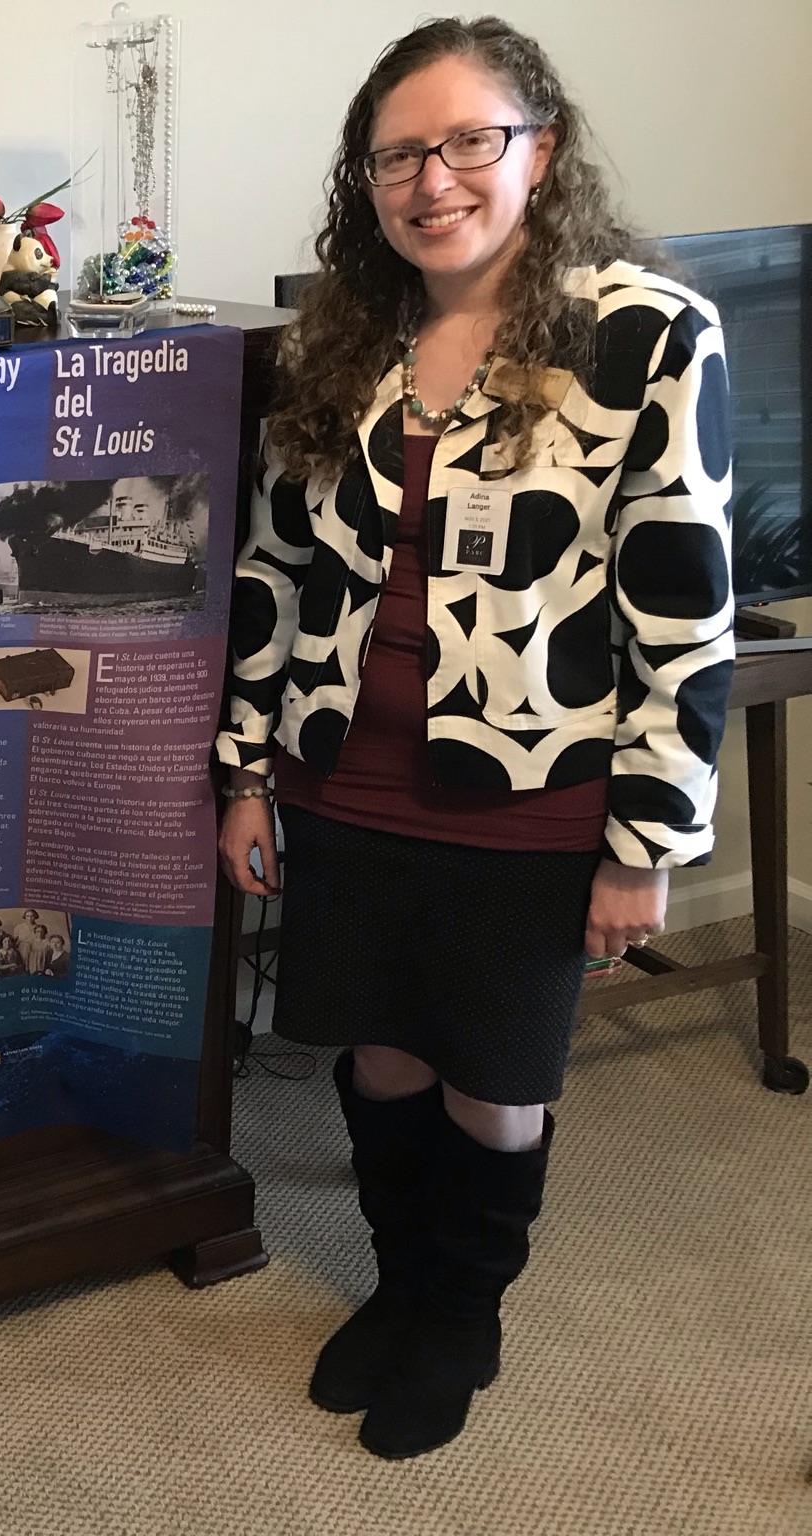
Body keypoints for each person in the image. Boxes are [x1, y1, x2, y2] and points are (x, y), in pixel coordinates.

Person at [216, 17, 733, 1462]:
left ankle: (465, 1312)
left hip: (535, 797)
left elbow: (685, 603)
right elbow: (275, 573)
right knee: (378, 1054)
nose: (429, 179)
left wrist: (647, 844)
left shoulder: (643, 330)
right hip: (343, 777)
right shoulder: (344, 329)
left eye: (466, 142)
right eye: (396, 154)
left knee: (492, 1077)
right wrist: (247, 767)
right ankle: (399, 1283)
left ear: (540, 151)